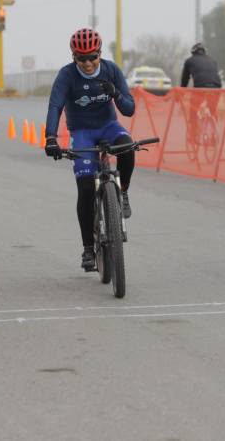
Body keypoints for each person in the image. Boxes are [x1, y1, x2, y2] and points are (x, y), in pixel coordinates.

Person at [44, 28, 136, 271]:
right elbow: (55, 106)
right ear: (73, 57)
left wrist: (115, 93)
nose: (87, 63)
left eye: (92, 57)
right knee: (85, 188)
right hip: (82, 134)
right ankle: (87, 249)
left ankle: (123, 192)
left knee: (128, 147)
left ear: (100, 53)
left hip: (109, 127)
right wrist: (51, 137)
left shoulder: (111, 70)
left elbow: (129, 109)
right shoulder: (66, 76)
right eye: (81, 58)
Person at [180, 43, 222, 145]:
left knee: (193, 110)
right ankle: (213, 133)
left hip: (200, 88)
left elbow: (185, 79)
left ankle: (194, 136)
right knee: (213, 110)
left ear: (193, 52)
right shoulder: (212, 60)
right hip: (217, 88)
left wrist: (180, 94)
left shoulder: (189, 61)